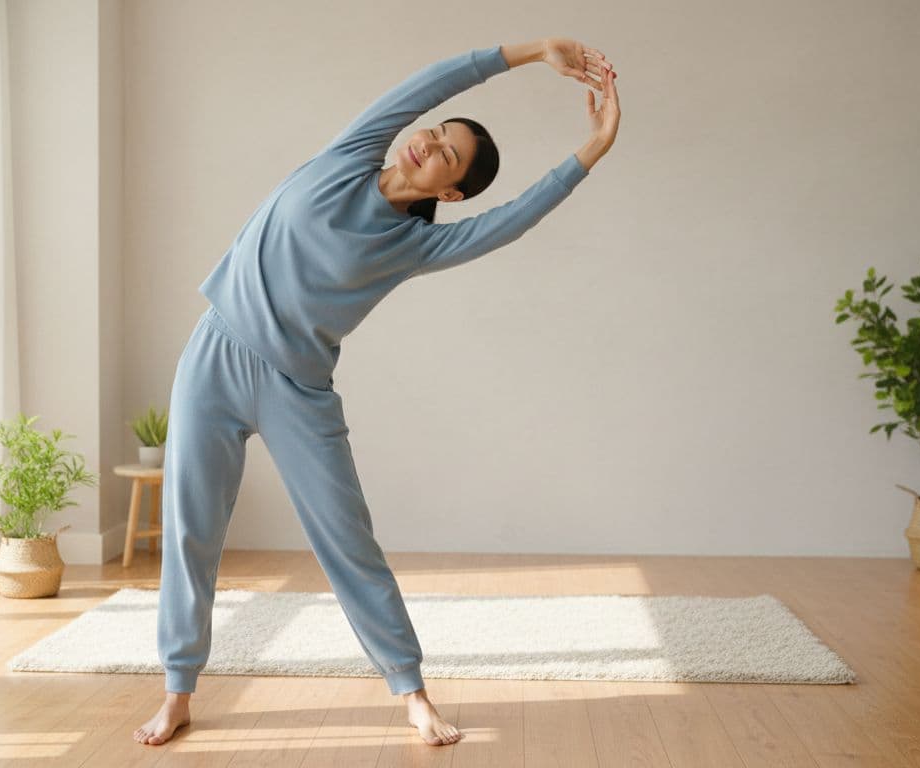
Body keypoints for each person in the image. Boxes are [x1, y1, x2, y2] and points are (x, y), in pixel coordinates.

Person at [134, 37, 621, 747]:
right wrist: (532, 52)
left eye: (447, 157)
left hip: (295, 389)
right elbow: (432, 82)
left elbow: (512, 218)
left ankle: (412, 691)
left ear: (449, 193)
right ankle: (178, 691)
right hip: (213, 356)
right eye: (436, 133)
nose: (428, 143)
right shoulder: (350, 154)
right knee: (192, 527)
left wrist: (595, 146)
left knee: (348, 541)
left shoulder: (417, 245)